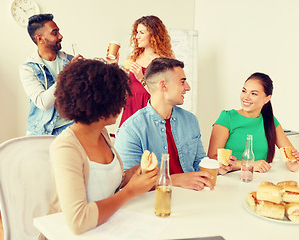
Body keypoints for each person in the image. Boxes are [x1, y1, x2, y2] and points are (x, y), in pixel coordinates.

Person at [46, 59, 157, 236]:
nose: (124, 103)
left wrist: (131, 176)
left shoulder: (102, 133)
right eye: (119, 97)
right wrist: (130, 192)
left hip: (106, 228)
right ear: (100, 102)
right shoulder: (65, 148)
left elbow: (104, 184)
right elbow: (78, 221)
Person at [114, 57, 215, 191]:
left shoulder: (191, 120)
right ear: (163, 85)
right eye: (182, 81)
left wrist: (215, 166)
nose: (188, 87)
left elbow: (199, 163)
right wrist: (173, 180)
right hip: (154, 203)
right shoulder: (131, 129)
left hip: (192, 196)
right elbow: (127, 182)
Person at [208, 72, 299, 173]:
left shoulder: (270, 121)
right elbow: (211, 159)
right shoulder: (227, 118)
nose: (246, 97)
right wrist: (248, 164)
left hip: (258, 182)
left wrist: (293, 163)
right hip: (228, 181)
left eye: (253, 93)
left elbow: (289, 157)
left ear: (267, 98)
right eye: (244, 91)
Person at [19, 14, 81, 135]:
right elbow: (43, 103)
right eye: (54, 33)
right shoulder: (28, 68)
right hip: (41, 132)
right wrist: (67, 73)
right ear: (39, 38)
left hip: (71, 127)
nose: (60, 36)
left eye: (59, 32)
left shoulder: (70, 60)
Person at [112, 15, 174, 127]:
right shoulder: (134, 56)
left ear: (153, 34)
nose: (137, 37)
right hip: (130, 110)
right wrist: (114, 65)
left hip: (149, 112)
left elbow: (164, 97)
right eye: (136, 32)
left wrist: (141, 78)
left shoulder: (164, 62)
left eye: (141, 32)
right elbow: (124, 87)